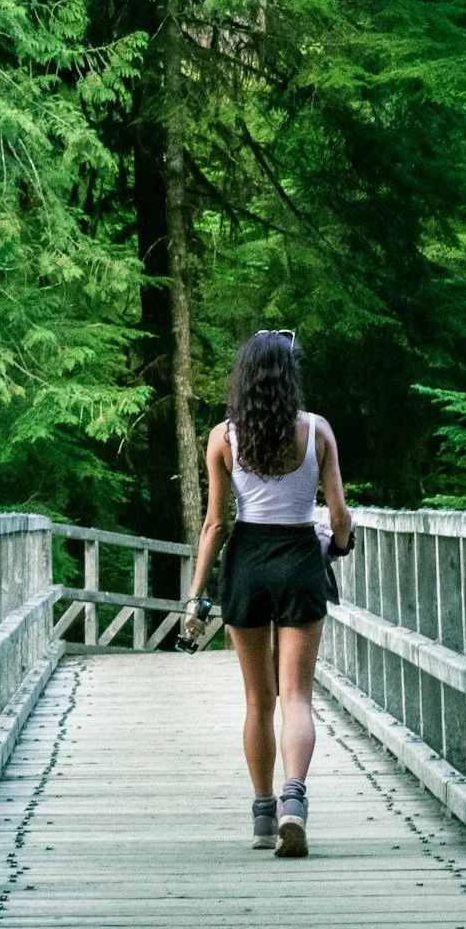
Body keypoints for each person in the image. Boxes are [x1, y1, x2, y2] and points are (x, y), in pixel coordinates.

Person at [182, 329, 354, 857]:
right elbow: (338, 515)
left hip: (248, 561)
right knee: (297, 696)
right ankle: (293, 803)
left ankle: (261, 815)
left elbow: (214, 524)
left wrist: (195, 599)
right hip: (301, 558)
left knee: (259, 700)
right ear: (291, 376)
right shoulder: (317, 432)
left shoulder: (223, 438)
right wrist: (341, 544)